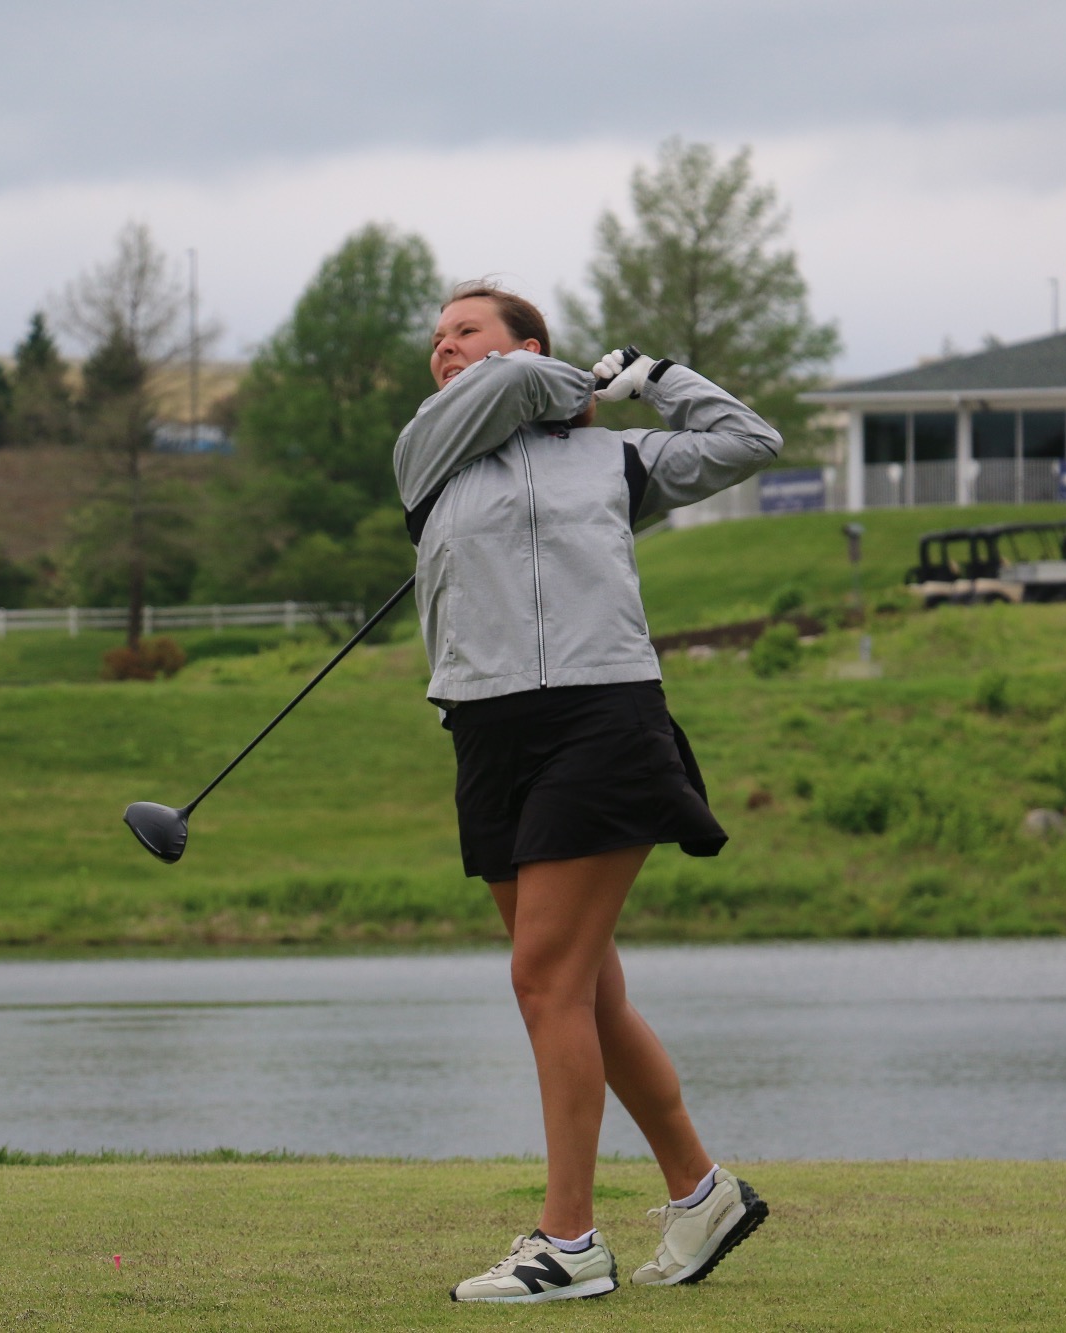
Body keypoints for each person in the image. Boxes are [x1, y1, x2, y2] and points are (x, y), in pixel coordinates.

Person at [393, 283, 781, 1304]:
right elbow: (516, 386)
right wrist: (561, 380)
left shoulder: (615, 460)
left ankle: (567, 1240)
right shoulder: (427, 452)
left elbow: (747, 439)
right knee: (583, 989)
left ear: (525, 340)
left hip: (599, 719)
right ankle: (700, 1191)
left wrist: (648, 377)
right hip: (485, 728)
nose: (443, 350)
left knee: (544, 982)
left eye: (463, 332)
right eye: (434, 339)